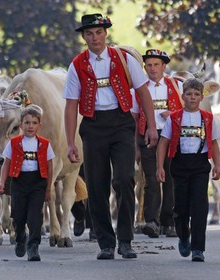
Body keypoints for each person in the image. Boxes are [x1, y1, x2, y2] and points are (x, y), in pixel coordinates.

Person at [63, 13, 158, 260]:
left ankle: (125, 240)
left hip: (121, 124)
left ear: (106, 33)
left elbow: (143, 92)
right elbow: (71, 105)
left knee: (125, 180)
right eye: (89, 33)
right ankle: (106, 242)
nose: (94, 37)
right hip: (93, 127)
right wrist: (71, 141)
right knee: (96, 185)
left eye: (98, 32)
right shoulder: (77, 64)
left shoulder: (124, 59)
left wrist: (151, 126)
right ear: (84, 37)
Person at [156, 78, 220, 262]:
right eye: (189, 94)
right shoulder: (175, 117)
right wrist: (160, 166)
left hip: (200, 165)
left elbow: (215, 143)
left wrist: (218, 165)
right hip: (180, 164)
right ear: (183, 96)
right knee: (181, 208)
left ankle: (198, 249)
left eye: (196, 95)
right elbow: (163, 143)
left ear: (201, 97)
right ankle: (184, 236)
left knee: (200, 207)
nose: (192, 98)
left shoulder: (208, 118)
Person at [134, 49, 183, 238]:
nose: (152, 68)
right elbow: (134, 116)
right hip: (147, 136)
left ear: (164, 66)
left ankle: (169, 222)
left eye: (156, 64)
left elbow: (189, 109)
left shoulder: (176, 85)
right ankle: (152, 221)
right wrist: (135, 146)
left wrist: (173, 114)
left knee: (170, 178)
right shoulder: (138, 88)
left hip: (171, 136)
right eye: (149, 65)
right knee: (151, 179)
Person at [0, 106, 55, 262]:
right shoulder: (13, 143)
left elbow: (50, 166)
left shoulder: (45, 144)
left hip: (38, 183)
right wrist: (2, 182)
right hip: (19, 182)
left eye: (34, 123)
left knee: (35, 217)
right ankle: (20, 237)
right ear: (21, 125)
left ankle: (33, 246)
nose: (30, 126)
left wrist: (48, 188)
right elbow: (6, 164)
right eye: (27, 123)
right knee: (18, 216)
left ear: (39, 126)